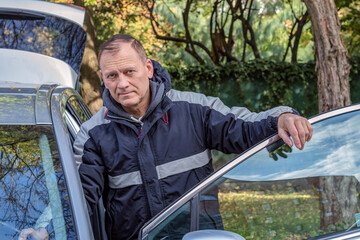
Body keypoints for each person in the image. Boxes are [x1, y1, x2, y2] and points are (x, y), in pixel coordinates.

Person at [73, 34, 313, 240]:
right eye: (112, 76)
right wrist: (45, 229)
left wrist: (280, 117)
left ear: (148, 69)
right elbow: (74, 199)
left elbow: (243, 128)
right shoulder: (92, 135)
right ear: (103, 79)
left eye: (129, 71)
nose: (122, 83)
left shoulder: (194, 109)